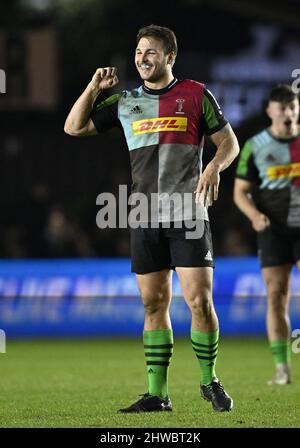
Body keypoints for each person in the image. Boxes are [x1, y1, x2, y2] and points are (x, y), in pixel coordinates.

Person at [65, 24, 239, 412]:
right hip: (144, 214)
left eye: (151, 52)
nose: (142, 58)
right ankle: (157, 395)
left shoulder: (195, 94)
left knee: (199, 301)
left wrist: (214, 167)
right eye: (138, 52)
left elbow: (229, 142)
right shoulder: (126, 102)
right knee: (153, 304)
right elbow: (73, 127)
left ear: (170, 57)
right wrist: (94, 88)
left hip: (187, 212)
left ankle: (209, 381)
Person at [234, 84, 300, 385]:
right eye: (281, 108)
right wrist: (254, 215)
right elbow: (240, 193)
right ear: (270, 111)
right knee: (276, 296)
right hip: (273, 230)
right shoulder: (255, 145)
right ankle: (282, 369)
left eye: (292, 107)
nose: (287, 113)